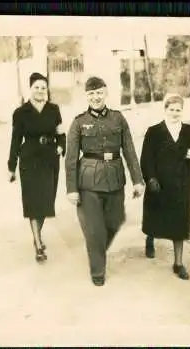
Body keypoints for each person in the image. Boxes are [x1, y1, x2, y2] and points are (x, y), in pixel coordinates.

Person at [65, 76, 145, 286]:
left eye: (99, 93)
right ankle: (98, 271)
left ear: (106, 93)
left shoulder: (118, 119)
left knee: (116, 219)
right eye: (91, 94)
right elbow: (71, 158)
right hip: (88, 182)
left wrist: (138, 180)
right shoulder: (79, 122)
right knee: (94, 229)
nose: (95, 97)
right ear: (86, 96)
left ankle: (97, 248)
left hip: (115, 179)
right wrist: (71, 189)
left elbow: (129, 150)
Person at [7, 72, 66, 263]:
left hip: (50, 159)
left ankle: (36, 235)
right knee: (34, 202)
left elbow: (61, 133)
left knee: (46, 202)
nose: (40, 91)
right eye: (36, 87)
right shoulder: (20, 113)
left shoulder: (54, 109)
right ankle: (39, 244)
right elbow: (16, 140)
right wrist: (11, 166)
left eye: (43, 87)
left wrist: (61, 146)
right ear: (30, 89)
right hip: (29, 160)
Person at [140, 93, 190, 280]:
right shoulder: (154, 131)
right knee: (155, 215)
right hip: (159, 182)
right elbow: (146, 158)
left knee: (180, 222)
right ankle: (150, 238)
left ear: (182, 111)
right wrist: (151, 179)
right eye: (171, 109)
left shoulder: (187, 129)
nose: (175, 113)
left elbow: (188, 153)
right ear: (165, 110)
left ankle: (178, 263)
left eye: (178, 110)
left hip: (180, 183)